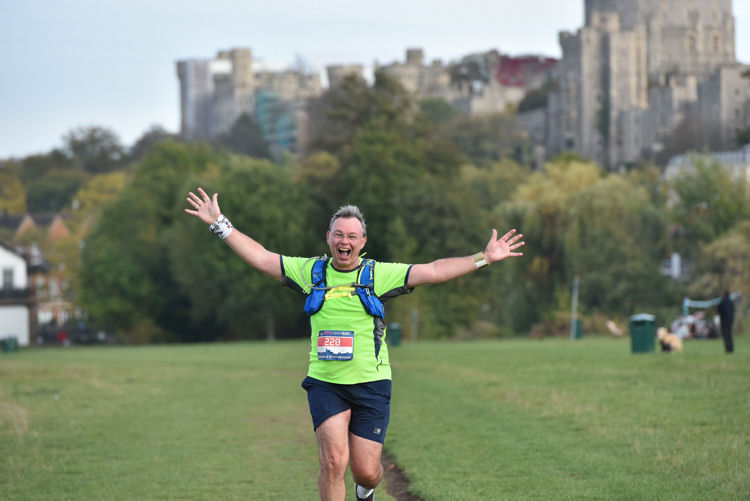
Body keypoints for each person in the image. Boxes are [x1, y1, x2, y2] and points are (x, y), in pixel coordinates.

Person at [184, 187, 525, 501]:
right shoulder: (310, 273)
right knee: (333, 461)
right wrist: (219, 223)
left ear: (363, 241)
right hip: (326, 383)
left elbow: (433, 270)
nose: (344, 241)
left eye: (351, 236)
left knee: (366, 471)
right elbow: (260, 257)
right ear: (328, 238)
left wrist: (484, 257)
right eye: (338, 235)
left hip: (372, 383)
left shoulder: (378, 275)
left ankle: (365, 490)